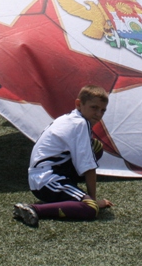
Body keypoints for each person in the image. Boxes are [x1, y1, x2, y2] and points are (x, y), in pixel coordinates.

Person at [13, 85, 113, 226]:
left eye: (102, 110)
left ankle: (68, 191)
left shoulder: (72, 118)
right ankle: (34, 208)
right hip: (46, 179)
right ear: (79, 104)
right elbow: (88, 167)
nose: (98, 114)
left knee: (95, 147)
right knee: (90, 208)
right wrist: (93, 199)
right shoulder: (80, 124)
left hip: (44, 173)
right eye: (94, 108)